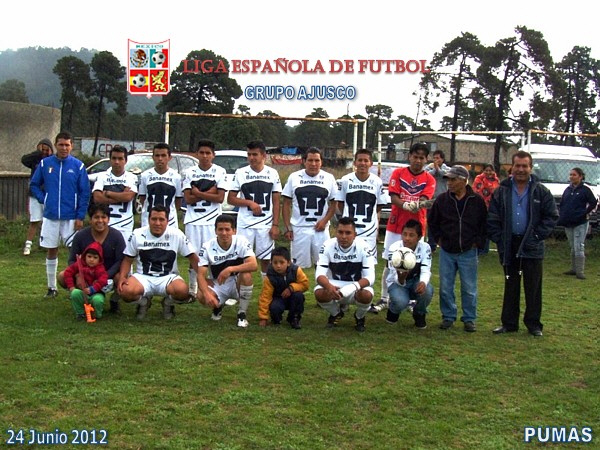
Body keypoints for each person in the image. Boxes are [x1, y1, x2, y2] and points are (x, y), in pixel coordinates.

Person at [488, 151, 558, 337]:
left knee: (533, 286)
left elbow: (551, 216)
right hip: (509, 243)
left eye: (524, 166)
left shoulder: (541, 191)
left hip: (532, 244)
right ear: (511, 167)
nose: (520, 169)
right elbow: (493, 217)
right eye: (517, 165)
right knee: (511, 284)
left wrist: (536, 236)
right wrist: (498, 237)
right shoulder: (501, 190)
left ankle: (534, 325)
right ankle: (509, 323)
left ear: (530, 168)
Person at [372, 142, 436, 313]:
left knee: (414, 263)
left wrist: (419, 204)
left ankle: (410, 299)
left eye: (421, 158)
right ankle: (385, 298)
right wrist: (406, 205)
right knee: (390, 262)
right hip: (396, 225)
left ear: (426, 159)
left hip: (417, 228)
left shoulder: (429, 179)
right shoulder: (398, 173)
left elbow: (425, 199)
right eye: (415, 157)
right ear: (409, 156)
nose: (418, 161)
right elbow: (393, 197)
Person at [30, 131, 90, 298]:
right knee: (51, 250)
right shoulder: (45, 164)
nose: (64, 148)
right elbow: (34, 184)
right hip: (51, 216)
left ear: (71, 146)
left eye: (67, 145)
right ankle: (52, 287)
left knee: (75, 253)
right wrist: (44, 199)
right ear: (55, 145)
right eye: (61, 145)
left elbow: (85, 192)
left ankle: (77, 287)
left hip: (71, 216)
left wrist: (80, 216)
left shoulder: (78, 166)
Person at [428, 165, 488, 332]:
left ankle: (469, 318)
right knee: (445, 287)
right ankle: (448, 316)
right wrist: (439, 239)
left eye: (453, 179)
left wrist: (477, 242)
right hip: (447, 251)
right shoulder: (442, 200)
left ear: (463, 180)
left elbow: (484, 224)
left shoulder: (477, 201)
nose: (449, 183)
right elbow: (432, 221)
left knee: (469, 288)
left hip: (468, 251)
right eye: (448, 179)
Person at [118, 205, 199, 320]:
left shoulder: (176, 234)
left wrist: (202, 280)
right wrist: (122, 277)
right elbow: (127, 259)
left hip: (168, 277)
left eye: (161, 219)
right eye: (154, 219)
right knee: (126, 291)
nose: (157, 223)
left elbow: (193, 257)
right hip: (143, 277)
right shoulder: (137, 234)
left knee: (182, 291)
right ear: (148, 220)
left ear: (167, 221)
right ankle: (143, 302)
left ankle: (167, 303)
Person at [59, 203, 126, 313]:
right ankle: (82, 298)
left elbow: (120, 260)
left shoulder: (116, 236)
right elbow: (72, 259)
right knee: (62, 276)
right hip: (87, 274)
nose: (100, 220)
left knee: (122, 278)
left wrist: (104, 276)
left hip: (109, 275)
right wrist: (78, 275)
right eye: (96, 217)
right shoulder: (80, 236)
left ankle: (114, 300)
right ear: (90, 220)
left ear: (108, 219)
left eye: (103, 217)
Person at [227, 140, 281, 275]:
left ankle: (266, 287)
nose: (251, 158)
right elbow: (231, 199)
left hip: (265, 223)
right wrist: (249, 203)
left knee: (266, 259)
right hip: (245, 223)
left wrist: (275, 225)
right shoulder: (240, 173)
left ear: (264, 156)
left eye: (255, 154)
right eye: (249, 154)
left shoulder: (273, 173)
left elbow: (276, 201)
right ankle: (243, 288)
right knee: (243, 259)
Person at [181, 139, 228, 296]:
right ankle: (193, 288)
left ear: (213, 155)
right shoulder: (189, 172)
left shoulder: (220, 171)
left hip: (212, 220)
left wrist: (198, 193)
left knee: (215, 254)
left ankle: (217, 287)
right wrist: (209, 193)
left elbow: (220, 198)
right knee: (193, 255)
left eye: (208, 153)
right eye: (202, 152)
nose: (205, 156)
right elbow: (188, 199)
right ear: (197, 154)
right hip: (193, 220)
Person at [314, 217, 376, 332]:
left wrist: (352, 287)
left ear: (355, 235)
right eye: (340, 232)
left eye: (348, 233)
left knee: (366, 295)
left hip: (356, 286)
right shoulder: (327, 245)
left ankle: (359, 317)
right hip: (334, 286)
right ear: (335, 232)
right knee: (319, 293)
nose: (343, 236)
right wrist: (329, 287)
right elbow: (319, 275)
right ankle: (336, 313)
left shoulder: (364, 247)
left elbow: (370, 277)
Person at [196, 214, 258, 328]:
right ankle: (218, 306)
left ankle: (242, 313)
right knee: (200, 295)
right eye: (220, 229)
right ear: (215, 231)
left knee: (246, 274)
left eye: (227, 229)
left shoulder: (241, 241)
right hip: (219, 283)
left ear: (234, 231)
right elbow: (200, 275)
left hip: (237, 282)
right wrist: (207, 294)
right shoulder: (207, 246)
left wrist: (230, 269)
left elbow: (254, 265)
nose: (224, 233)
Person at [282, 147, 339, 268]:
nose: (313, 164)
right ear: (304, 161)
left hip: (321, 230)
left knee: (323, 265)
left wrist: (324, 221)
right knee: (297, 267)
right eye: (310, 160)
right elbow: (286, 203)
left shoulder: (329, 178)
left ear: (321, 162)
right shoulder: (294, 177)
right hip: (299, 229)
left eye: (317, 160)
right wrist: (288, 228)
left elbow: (334, 204)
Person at [335, 148, 387, 258]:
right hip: (348, 230)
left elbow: (379, 205)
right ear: (355, 163)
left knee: (368, 261)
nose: (363, 163)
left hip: (369, 231)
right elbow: (340, 203)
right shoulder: (345, 180)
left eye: (366, 160)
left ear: (371, 163)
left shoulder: (377, 181)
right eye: (360, 160)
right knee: (347, 259)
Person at [385, 219, 434, 329]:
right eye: (404, 234)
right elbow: (393, 272)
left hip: (415, 280)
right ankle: (393, 310)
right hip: (396, 283)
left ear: (419, 237)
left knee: (427, 291)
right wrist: (401, 279)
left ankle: (419, 313)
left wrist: (423, 282)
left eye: (411, 235)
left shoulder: (425, 247)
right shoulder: (394, 248)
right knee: (401, 302)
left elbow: (426, 268)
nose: (407, 238)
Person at [557, 167, 597, 279]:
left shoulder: (585, 190)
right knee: (573, 246)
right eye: (570, 175)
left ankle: (580, 271)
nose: (571, 177)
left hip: (580, 222)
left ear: (580, 177)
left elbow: (593, 202)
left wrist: (585, 213)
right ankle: (574, 269)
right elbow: (563, 203)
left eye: (574, 175)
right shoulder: (567, 190)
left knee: (579, 246)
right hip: (568, 221)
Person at [92, 145, 138, 242]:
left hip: (125, 224)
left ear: (126, 161)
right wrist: (121, 196)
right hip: (105, 223)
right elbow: (97, 198)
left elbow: (128, 197)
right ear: (110, 160)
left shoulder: (132, 177)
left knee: (123, 251)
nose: (117, 162)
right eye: (114, 158)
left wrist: (107, 193)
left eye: (120, 159)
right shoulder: (102, 176)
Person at [258, 246, 309, 329]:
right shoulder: (269, 276)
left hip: (293, 297)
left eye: (282, 262)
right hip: (278, 298)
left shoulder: (296, 270)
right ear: (271, 262)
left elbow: (305, 284)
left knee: (299, 296)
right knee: (275, 309)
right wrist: (263, 318)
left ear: (288, 262)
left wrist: (291, 288)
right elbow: (265, 297)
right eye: (275, 263)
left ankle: (294, 318)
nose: (278, 266)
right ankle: (276, 318)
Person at [138, 143, 183, 229]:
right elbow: (142, 198)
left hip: (170, 221)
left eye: (163, 155)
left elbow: (178, 201)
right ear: (153, 157)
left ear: (169, 157)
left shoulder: (176, 177)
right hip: (148, 221)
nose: (160, 159)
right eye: (157, 155)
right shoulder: (145, 175)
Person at [21, 138, 54, 255]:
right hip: (35, 195)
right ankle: (28, 245)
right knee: (34, 220)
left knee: (49, 220)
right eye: (42, 149)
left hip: (48, 195)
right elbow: (24, 160)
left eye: (46, 150)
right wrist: (37, 153)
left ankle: (47, 244)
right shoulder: (35, 160)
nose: (44, 152)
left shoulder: (53, 161)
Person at [63, 242, 108, 320]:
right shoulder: (79, 264)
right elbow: (68, 272)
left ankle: (97, 314)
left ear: (99, 259)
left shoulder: (100, 268)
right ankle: (80, 313)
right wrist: (71, 286)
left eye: (95, 257)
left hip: (96, 293)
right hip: (82, 292)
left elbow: (103, 280)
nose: (91, 260)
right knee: (75, 293)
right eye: (89, 256)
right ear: (85, 256)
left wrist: (92, 289)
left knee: (98, 300)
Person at [425, 149, 450, 253]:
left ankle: (445, 243)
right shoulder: (429, 167)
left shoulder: (447, 169)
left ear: (442, 159)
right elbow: (426, 175)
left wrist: (438, 169)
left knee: (443, 222)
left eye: (438, 158)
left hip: (443, 200)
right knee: (431, 223)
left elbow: (445, 175)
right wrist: (434, 169)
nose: (436, 160)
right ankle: (432, 245)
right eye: (434, 158)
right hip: (431, 200)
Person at [473, 164, 500, 254]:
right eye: (486, 170)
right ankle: (478, 247)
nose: (488, 172)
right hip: (479, 206)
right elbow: (477, 191)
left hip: (492, 207)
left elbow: (498, 193)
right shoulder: (478, 179)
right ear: (483, 171)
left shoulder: (496, 180)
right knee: (479, 227)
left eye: (490, 170)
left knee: (488, 227)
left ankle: (485, 248)